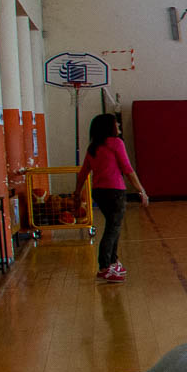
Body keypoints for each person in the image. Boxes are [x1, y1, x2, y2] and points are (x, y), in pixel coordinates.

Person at [74, 112, 150, 282]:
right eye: (116, 123)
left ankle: (113, 261)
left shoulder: (93, 147)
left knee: (113, 225)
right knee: (113, 228)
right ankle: (104, 266)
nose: (119, 126)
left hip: (99, 192)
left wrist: (77, 192)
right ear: (109, 127)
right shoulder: (116, 143)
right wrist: (141, 190)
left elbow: (83, 172)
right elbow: (127, 169)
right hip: (115, 191)